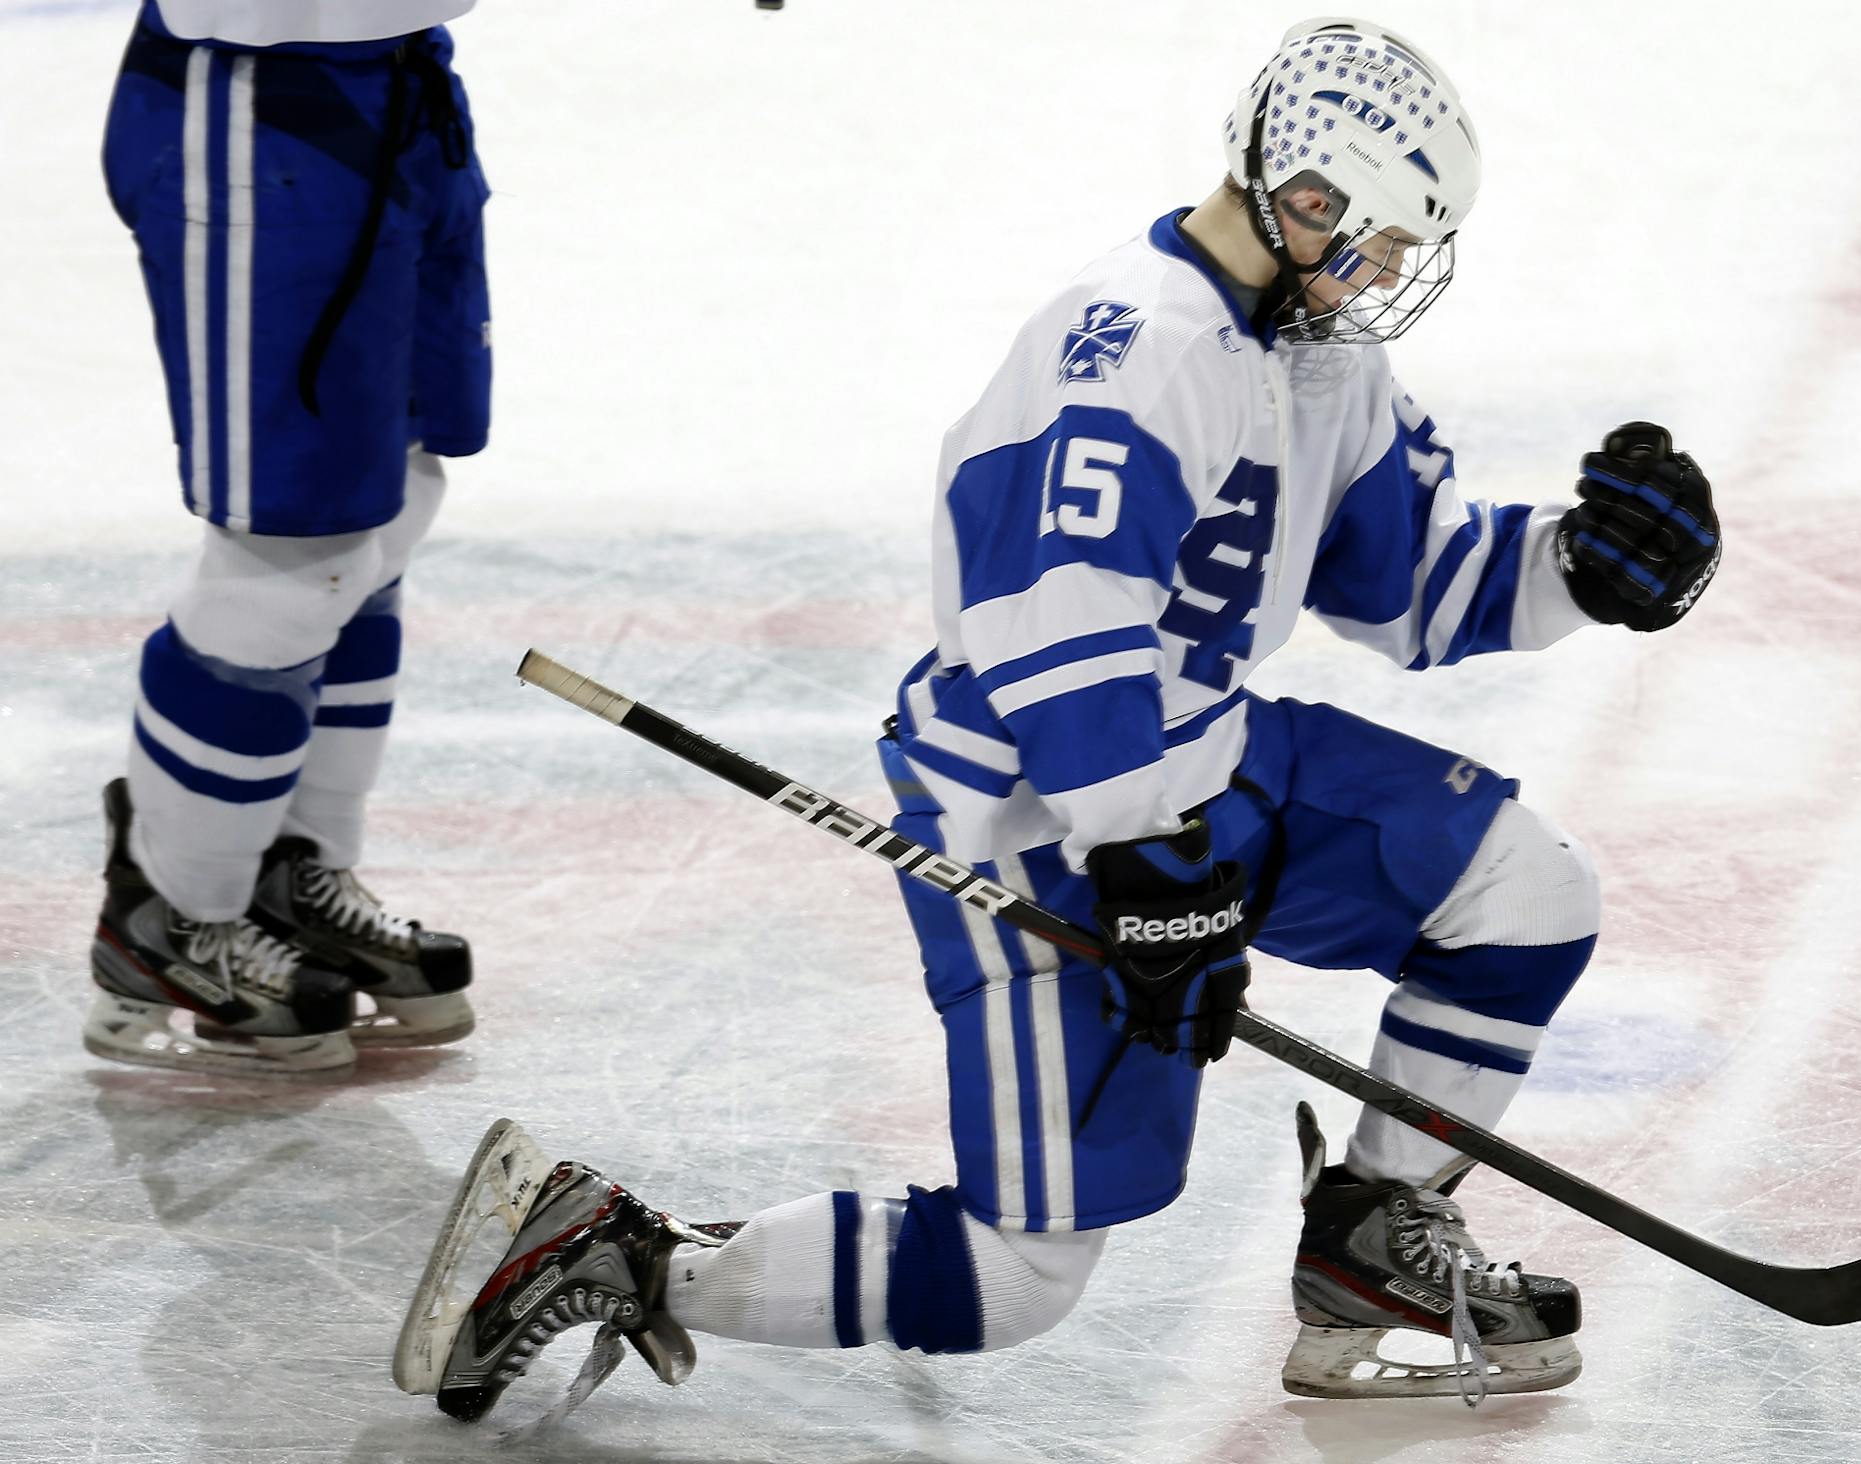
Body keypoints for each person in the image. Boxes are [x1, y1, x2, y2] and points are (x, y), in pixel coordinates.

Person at [395, 15, 1722, 1418]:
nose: (1389, 275)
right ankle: (623, 1251)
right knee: (1019, 1274)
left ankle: (1373, 1250)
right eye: (1379, 240)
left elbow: (1421, 583)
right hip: (1033, 805)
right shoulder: (1134, 348)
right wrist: (1145, 858)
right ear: (1307, 197)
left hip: (1199, 759)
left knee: (1523, 890)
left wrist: (1579, 572)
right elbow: (1057, 625)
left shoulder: (1320, 353)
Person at [86, 0, 489, 1079]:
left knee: (393, 504)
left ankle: (288, 879)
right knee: (294, 561)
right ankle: (171, 916)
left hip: (396, 78)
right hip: (257, 98)